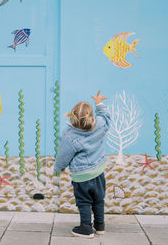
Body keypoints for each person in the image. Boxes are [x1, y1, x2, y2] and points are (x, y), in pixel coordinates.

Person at [54, 90, 110, 239]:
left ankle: (86, 227)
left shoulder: (69, 135)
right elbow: (106, 117)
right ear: (91, 117)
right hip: (98, 172)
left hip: (81, 176)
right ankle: (100, 226)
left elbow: (63, 156)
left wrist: (58, 168)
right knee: (98, 199)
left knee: (84, 201)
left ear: (72, 117)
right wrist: (99, 103)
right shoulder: (99, 125)